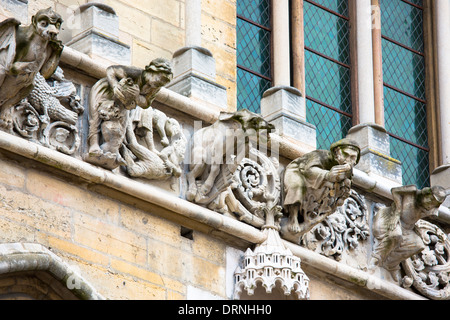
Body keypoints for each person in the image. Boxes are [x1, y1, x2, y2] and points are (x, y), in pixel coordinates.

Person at [283, 138, 360, 234]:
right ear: (337, 153)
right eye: (346, 155)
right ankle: (293, 217)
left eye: (352, 158)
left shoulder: (347, 172)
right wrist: (327, 175)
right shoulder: (321, 155)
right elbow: (308, 170)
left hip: (318, 187)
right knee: (297, 187)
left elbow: (345, 188)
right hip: (297, 171)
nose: (348, 160)